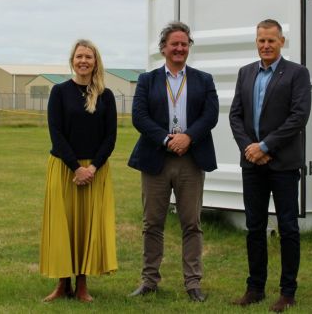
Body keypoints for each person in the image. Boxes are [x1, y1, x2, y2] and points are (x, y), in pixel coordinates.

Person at [128, 21, 219, 302]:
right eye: (174, 44)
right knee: (152, 224)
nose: (179, 48)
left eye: (184, 43)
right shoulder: (147, 80)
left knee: (191, 223)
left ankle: (193, 283)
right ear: (163, 48)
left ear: (189, 47)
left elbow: (210, 115)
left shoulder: (204, 80)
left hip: (191, 160)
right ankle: (149, 281)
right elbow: (139, 117)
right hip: (156, 159)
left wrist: (188, 137)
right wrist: (167, 140)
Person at [229, 19, 312, 313]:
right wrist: (250, 149)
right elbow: (235, 116)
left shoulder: (297, 74)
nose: (265, 45)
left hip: (284, 165)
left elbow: (298, 117)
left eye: (271, 41)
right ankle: (255, 288)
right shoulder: (246, 73)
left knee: (288, 228)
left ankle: (287, 292)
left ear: (282, 42)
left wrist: (265, 146)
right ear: (256, 41)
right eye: (261, 40)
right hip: (252, 164)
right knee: (254, 227)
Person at [39, 39, 118, 302]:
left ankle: (82, 284)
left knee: (86, 227)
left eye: (89, 57)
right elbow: (56, 133)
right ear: (72, 60)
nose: (83, 61)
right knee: (64, 227)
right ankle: (63, 284)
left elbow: (110, 137)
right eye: (79, 56)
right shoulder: (59, 92)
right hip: (64, 169)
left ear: (96, 62)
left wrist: (92, 167)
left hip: (95, 171)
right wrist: (76, 167)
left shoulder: (106, 95)